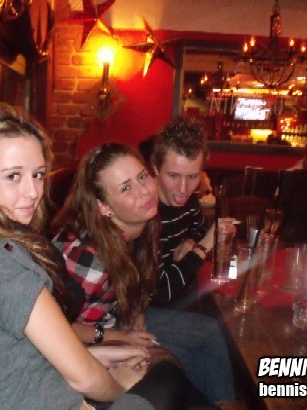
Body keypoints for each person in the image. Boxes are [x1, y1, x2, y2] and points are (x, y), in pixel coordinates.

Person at [0, 103, 189, 410]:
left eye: (37, 175)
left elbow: (21, 356)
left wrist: (97, 355)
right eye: (13, 176)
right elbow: (85, 379)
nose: (33, 192)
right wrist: (120, 386)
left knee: (162, 363)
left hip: (51, 388)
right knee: (166, 378)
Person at [52, 143, 235, 405]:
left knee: (209, 330)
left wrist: (136, 310)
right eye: (125, 188)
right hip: (82, 346)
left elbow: (136, 281)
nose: (144, 191)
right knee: (174, 364)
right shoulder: (88, 257)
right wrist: (119, 337)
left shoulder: (141, 225)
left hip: (118, 318)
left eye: (141, 177)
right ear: (103, 207)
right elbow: (56, 329)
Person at [149, 117, 216, 308]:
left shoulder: (190, 200)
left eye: (193, 176)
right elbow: (159, 293)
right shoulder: (144, 211)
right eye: (173, 176)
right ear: (155, 168)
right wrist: (203, 247)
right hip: (150, 309)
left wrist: (191, 241)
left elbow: (200, 228)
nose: (183, 189)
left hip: (183, 294)